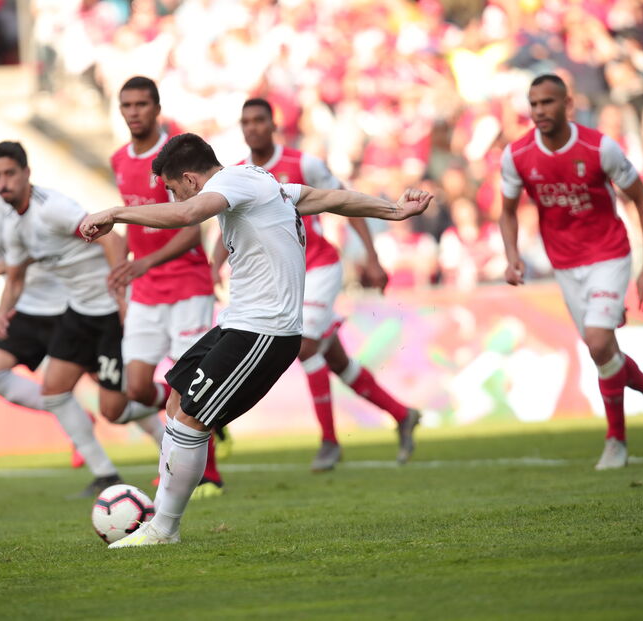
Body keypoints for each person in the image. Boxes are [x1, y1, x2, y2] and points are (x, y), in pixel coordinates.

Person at [79, 133, 433, 547]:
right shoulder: (264, 182)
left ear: (192, 180)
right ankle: (160, 516)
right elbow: (330, 198)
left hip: (265, 331)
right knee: (176, 401)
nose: (175, 199)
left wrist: (115, 214)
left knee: (192, 419)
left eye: (174, 190)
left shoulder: (230, 185)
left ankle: (164, 529)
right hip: (237, 323)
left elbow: (188, 215)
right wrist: (392, 210)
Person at [224, 98, 421, 471]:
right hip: (282, 277)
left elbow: (345, 202)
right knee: (334, 359)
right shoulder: (237, 174)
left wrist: (373, 257)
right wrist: (216, 264)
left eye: (259, 120)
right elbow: (231, 230)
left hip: (318, 266)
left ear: (273, 124)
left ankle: (329, 442)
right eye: (246, 121)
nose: (253, 127)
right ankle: (401, 414)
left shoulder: (303, 163)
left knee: (305, 345)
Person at [499, 74, 643, 471]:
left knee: (598, 342)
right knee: (604, 353)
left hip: (609, 254)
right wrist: (511, 254)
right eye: (534, 103)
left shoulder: (600, 148)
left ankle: (616, 441)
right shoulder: (517, 155)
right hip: (565, 264)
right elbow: (508, 211)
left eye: (548, 102)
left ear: (568, 104)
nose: (540, 110)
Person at [0, 140, 162, 496]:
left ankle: (175, 409)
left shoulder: (53, 209)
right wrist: (2, 313)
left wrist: (120, 296)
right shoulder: (13, 225)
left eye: (9, 173)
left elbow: (110, 240)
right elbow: (17, 277)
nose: (3, 182)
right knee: (54, 392)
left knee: (114, 408)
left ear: (26, 174)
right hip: (79, 314)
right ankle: (106, 474)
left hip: (109, 314)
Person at [109, 76, 225, 498]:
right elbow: (132, 225)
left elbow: (192, 231)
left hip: (187, 285)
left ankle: (207, 475)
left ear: (156, 109)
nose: (134, 111)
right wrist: (122, 264)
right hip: (146, 290)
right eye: (127, 104)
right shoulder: (118, 159)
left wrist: (143, 264)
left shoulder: (176, 157)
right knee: (138, 388)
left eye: (142, 104)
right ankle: (205, 424)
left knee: (189, 382)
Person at [0, 130, 86, 469]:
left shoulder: (6, 195)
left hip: (58, 296)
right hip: (23, 302)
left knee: (116, 388)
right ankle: (78, 423)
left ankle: (177, 421)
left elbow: (29, 248)